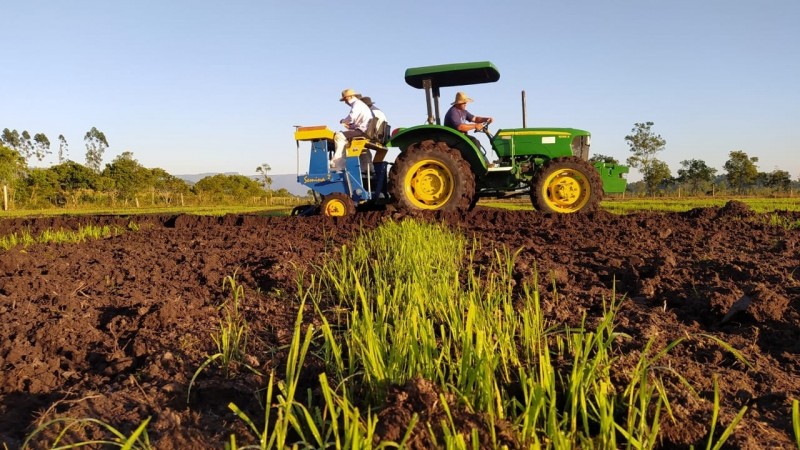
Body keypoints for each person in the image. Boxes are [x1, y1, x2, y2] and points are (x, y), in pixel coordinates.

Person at [332, 88, 372, 170]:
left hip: (362, 131)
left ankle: (338, 164)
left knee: (339, 136)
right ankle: (366, 169)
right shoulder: (361, 104)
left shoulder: (356, 104)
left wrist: (343, 121)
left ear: (348, 97)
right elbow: (359, 122)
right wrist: (350, 126)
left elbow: (351, 117)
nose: (345, 103)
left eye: (345, 100)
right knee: (346, 139)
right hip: (366, 130)